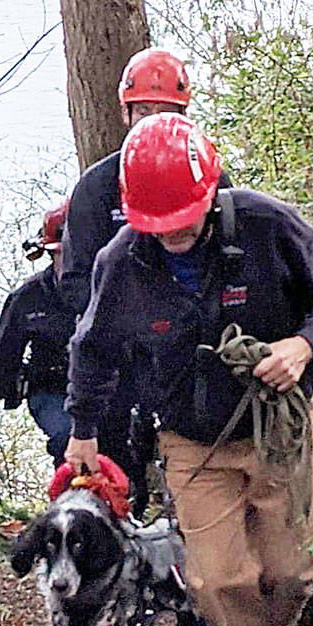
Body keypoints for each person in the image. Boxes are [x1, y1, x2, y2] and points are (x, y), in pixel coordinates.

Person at [64, 114, 313, 626]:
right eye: (157, 224)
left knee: (292, 572)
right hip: (190, 438)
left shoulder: (267, 225)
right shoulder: (121, 262)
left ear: (209, 195)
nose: (171, 234)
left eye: (181, 220)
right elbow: (92, 349)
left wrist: (301, 347)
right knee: (215, 579)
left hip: (278, 429)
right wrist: (83, 430)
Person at [59, 47, 232, 516]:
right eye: (145, 109)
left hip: (189, 351)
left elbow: (230, 259)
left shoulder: (208, 176)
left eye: (165, 110)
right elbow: (75, 281)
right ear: (126, 112)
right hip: (120, 353)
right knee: (115, 459)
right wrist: (124, 320)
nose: (153, 119)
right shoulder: (97, 189)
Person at [0, 202, 75, 464]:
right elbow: (6, 352)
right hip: (52, 391)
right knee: (68, 439)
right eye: (65, 254)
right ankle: (67, 500)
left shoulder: (113, 287)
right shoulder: (28, 298)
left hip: (108, 388)